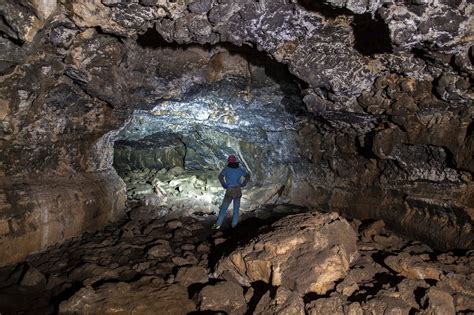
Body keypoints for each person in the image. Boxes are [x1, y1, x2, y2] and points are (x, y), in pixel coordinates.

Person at [212, 155, 250, 230]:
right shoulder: (239, 169)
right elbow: (247, 176)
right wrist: (243, 183)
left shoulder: (226, 169)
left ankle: (217, 225)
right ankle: (234, 225)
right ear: (235, 161)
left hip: (230, 190)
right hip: (238, 190)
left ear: (228, 161)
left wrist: (224, 185)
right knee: (236, 209)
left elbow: (220, 176)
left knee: (223, 209)